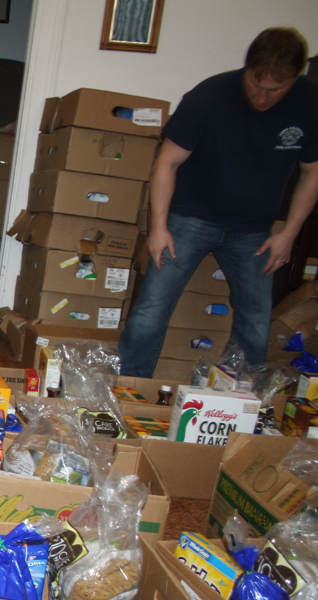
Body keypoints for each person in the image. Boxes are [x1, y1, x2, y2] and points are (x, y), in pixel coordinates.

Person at [120, 27, 318, 376]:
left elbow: (312, 174)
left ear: (296, 76)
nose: (262, 98)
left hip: (254, 230)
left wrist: (289, 233)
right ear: (247, 67)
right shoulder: (210, 95)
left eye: (275, 90)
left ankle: (236, 401)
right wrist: (159, 227)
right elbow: (167, 162)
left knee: (256, 321)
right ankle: (128, 392)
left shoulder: (311, 101)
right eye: (256, 85)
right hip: (189, 219)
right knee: (151, 310)